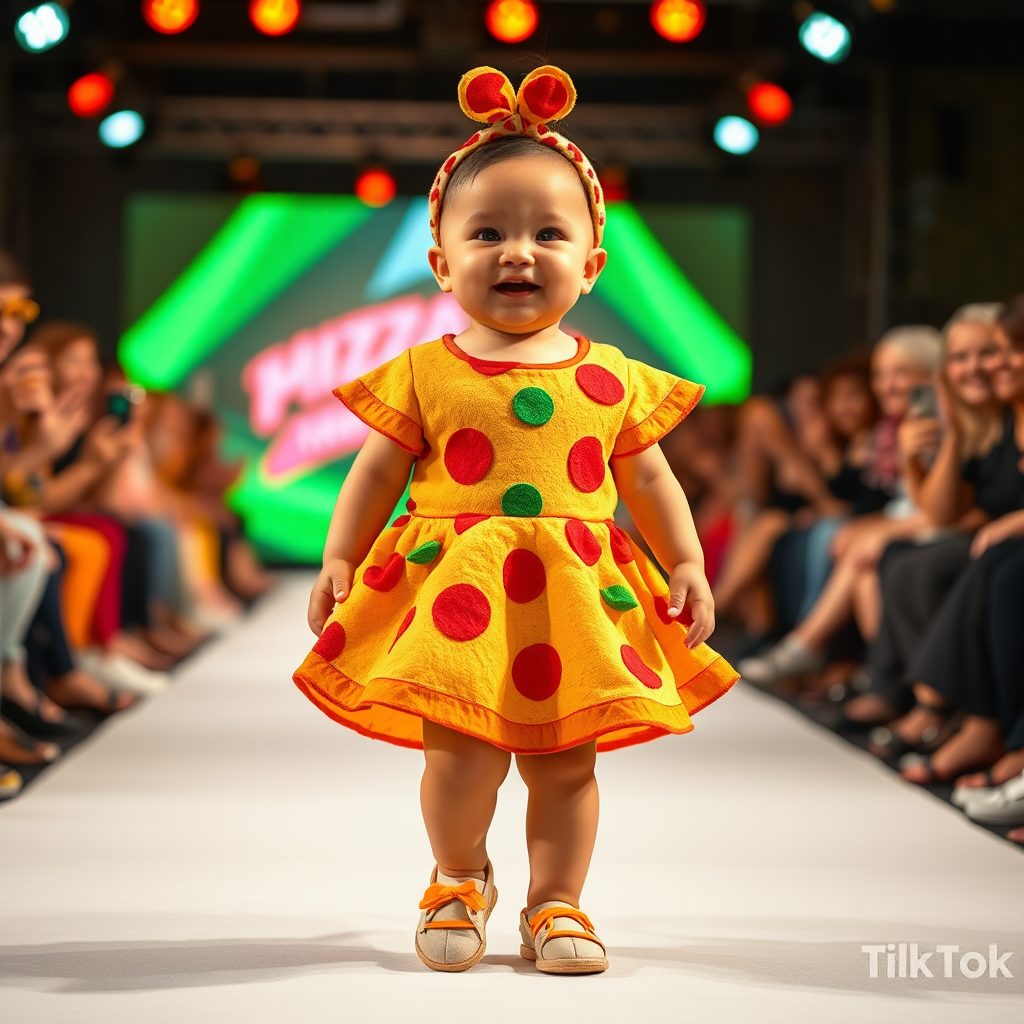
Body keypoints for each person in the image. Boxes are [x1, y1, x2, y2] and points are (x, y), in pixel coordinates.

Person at [293, 66, 737, 976]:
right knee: (460, 754)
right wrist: (340, 555)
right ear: (442, 261)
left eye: (548, 233)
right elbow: (376, 470)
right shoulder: (425, 368)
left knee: (567, 761)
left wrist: (685, 562)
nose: (518, 253)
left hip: (571, 596)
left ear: (592, 261)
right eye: (487, 232)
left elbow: (650, 478)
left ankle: (557, 901)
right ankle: (457, 876)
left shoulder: (610, 373)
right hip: (456, 592)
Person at [737, 325, 942, 685]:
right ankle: (884, 680)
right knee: (827, 539)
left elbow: (929, 508)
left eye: (901, 373)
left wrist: (871, 526)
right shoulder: (892, 431)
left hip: (927, 530)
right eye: (881, 375)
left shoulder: (926, 429)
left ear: (933, 376)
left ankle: (824, 654)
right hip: (904, 523)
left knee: (846, 544)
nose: (888, 385)